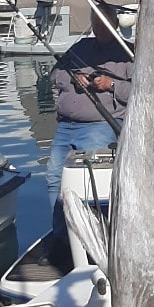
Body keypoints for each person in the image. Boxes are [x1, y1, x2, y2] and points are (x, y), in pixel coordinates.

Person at [45, 17, 133, 223]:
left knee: (90, 182)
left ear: (114, 23)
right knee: (54, 177)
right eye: (96, 21)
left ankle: (96, 229)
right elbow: (54, 75)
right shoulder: (81, 47)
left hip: (101, 127)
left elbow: (139, 91)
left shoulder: (128, 53)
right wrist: (74, 77)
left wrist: (111, 84)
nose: (99, 26)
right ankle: (59, 232)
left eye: (103, 21)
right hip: (65, 127)